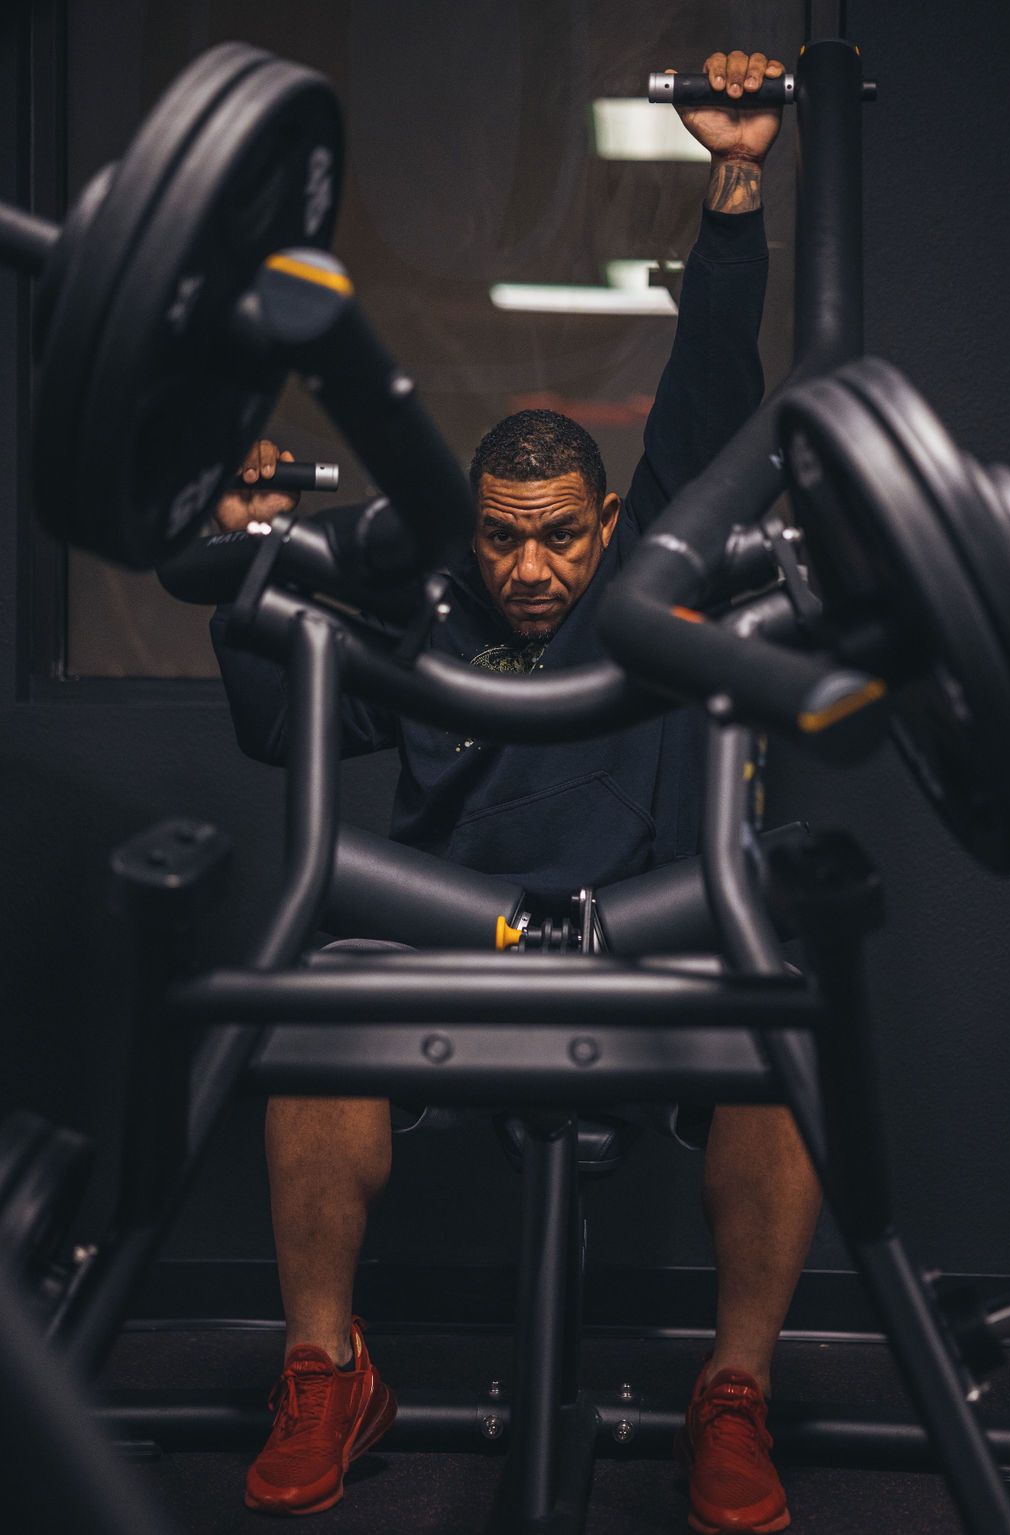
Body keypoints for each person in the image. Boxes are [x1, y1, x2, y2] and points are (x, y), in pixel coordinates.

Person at [213, 50, 818, 1535]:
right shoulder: (428, 614)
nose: (534, 570)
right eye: (505, 540)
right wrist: (236, 567)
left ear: (606, 525)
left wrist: (732, 183)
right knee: (307, 1012)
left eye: (561, 539)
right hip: (446, 946)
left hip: (652, 941)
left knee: (788, 1015)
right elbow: (272, 725)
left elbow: (713, 376)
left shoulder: (649, 593)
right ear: (470, 534)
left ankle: (733, 1389)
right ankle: (327, 1367)